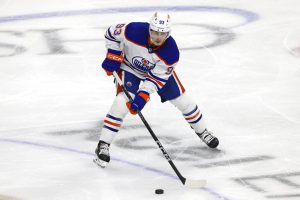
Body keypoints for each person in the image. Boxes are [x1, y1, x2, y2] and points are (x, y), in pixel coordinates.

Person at [94, 12, 219, 168]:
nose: (158, 37)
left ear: (168, 33)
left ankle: (203, 132)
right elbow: (110, 33)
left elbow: (156, 79)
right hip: (129, 68)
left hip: (155, 74)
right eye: (155, 32)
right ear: (149, 29)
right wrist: (113, 54)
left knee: (184, 102)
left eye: (162, 33)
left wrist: (143, 95)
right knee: (121, 103)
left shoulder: (171, 53)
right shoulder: (132, 30)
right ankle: (103, 144)